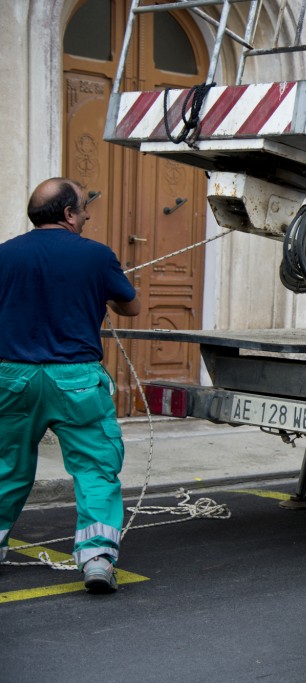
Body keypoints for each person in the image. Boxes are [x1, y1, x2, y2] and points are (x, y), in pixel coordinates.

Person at [0, 178, 141, 594]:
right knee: (95, 468)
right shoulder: (97, 256)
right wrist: (107, 288)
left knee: (5, 466)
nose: (88, 215)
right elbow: (130, 307)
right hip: (76, 379)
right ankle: (97, 558)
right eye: (83, 208)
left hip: (12, 376)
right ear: (67, 215)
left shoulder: (4, 254)